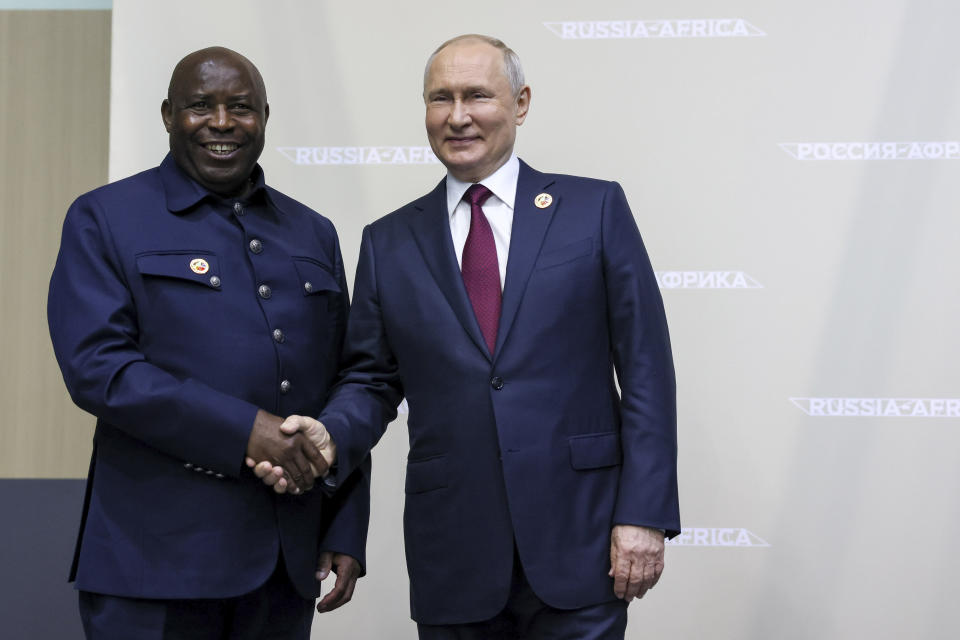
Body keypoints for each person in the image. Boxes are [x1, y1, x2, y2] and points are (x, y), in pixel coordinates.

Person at [261, 34, 680, 638]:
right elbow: (372, 380)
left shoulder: (595, 210)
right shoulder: (388, 242)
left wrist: (643, 512)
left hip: (581, 541)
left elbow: (646, 370)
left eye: (477, 96)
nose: (457, 116)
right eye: (441, 99)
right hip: (453, 551)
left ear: (521, 102)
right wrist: (332, 434)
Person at [47, 46, 367, 639]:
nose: (222, 123)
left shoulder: (313, 231)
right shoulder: (104, 217)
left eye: (241, 107)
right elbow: (99, 369)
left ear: (266, 116)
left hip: (282, 564)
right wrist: (248, 429)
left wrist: (344, 525)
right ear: (168, 115)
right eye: (201, 106)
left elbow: (344, 381)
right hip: (151, 566)